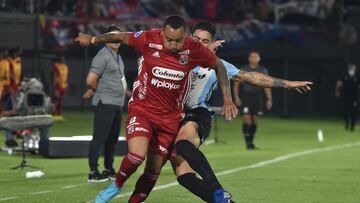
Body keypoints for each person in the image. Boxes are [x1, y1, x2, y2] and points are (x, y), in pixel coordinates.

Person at [128, 22, 313, 203]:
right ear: (189, 38)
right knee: (182, 175)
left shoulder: (216, 65)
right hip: (170, 118)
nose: (200, 43)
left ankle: (217, 189)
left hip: (196, 114)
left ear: (211, 42)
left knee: (183, 144)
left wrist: (287, 84)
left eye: (206, 41)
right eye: (197, 39)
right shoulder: (173, 55)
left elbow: (250, 76)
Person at [74, 15, 238, 203]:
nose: (173, 45)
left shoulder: (194, 49)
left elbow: (218, 65)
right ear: (162, 33)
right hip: (142, 110)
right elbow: (120, 37)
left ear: (185, 36)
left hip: (169, 119)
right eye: (169, 39)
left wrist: (227, 98)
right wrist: (93, 40)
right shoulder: (148, 38)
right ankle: (115, 186)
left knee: (153, 170)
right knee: (136, 156)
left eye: (178, 40)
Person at [82, 25, 129, 183]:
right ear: (106, 38)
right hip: (106, 102)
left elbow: (120, 82)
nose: (115, 40)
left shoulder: (117, 57)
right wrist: (95, 90)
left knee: (112, 140)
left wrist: (132, 93)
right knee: (100, 138)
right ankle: (93, 172)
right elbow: (90, 80)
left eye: (118, 37)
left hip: (117, 104)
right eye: (112, 36)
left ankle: (108, 169)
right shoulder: (102, 55)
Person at [233, 51, 271, 149]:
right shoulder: (244, 69)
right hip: (246, 95)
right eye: (252, 57)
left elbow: (267, 85)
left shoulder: (262, 70)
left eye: (256, 57)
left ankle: (251, 141)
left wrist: (269, 99)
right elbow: (236, 84)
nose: (254, 58)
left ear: (259, 58)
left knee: (255, 119)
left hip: (257, 96)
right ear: (249, 58)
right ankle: (248, 143)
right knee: (246, 118)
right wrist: (236, 97)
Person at [335, 62, 360, 131]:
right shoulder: (344, 75)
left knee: (353, 111)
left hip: (354, 97)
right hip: (345, 96)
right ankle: (347, 122)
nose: (352, 68)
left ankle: (352, 126)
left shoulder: (357, 76)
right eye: (350, 67)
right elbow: (339, 83)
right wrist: (337, 91)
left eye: (353, 67)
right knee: (345, 111)